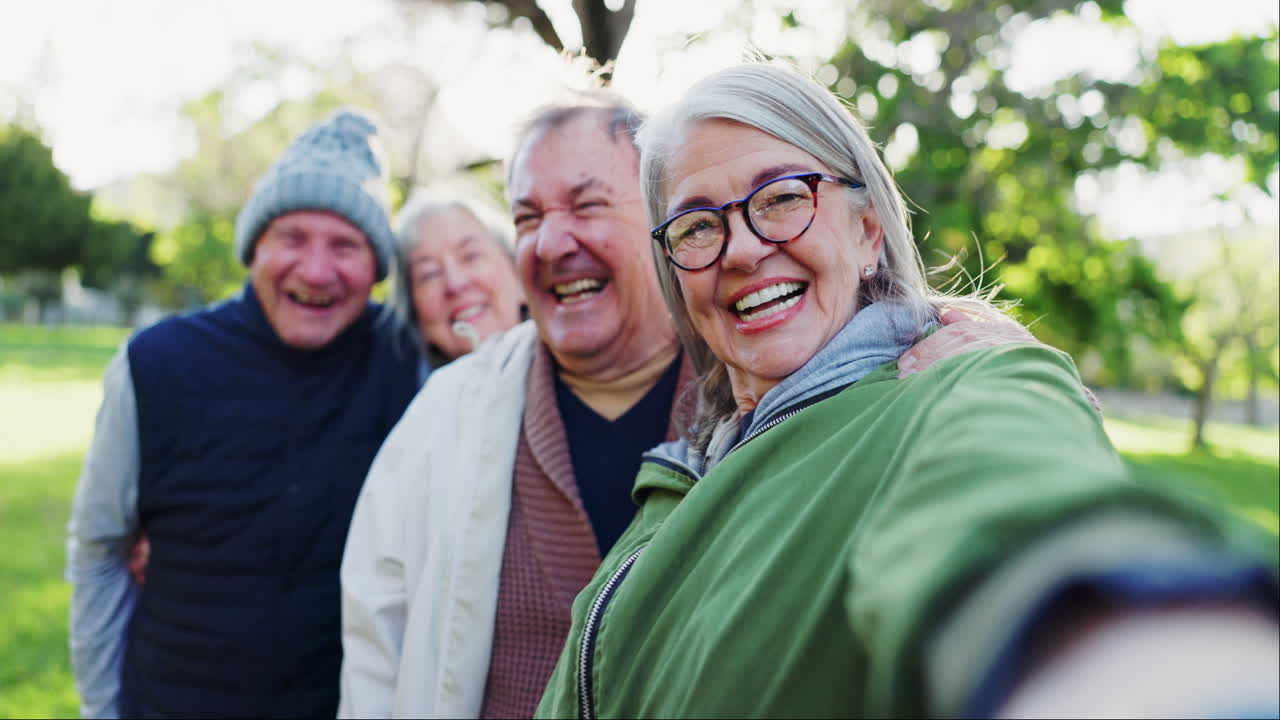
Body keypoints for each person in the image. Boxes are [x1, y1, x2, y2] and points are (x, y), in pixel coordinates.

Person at [534, 63, 1280, 719]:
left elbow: (1011, 499)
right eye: (698, 225)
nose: (746, 249)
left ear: (866, 232)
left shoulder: (958, 388)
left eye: (784, 196)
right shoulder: (686, 468)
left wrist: (1134, 653)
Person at [338, 94, 1061, 720]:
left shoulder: (791, 383)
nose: (553, 241)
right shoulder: (451, 411)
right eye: (527, 218)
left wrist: (1018, 373)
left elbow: (1013, 504)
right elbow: (376, 644)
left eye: (587, 204)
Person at [66, 108, 421, 718]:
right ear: (254, 247)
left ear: (377, 270)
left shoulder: (411, 364)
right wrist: (105, 711)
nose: (315, 270)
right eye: (292, 238)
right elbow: (100, 551)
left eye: (345, 245)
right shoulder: (154, 364)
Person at [387, 190, 525, 380]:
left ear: (518, 273)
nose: (455, 283)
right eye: (429, 274)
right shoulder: (419, 406)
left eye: (471, 256)